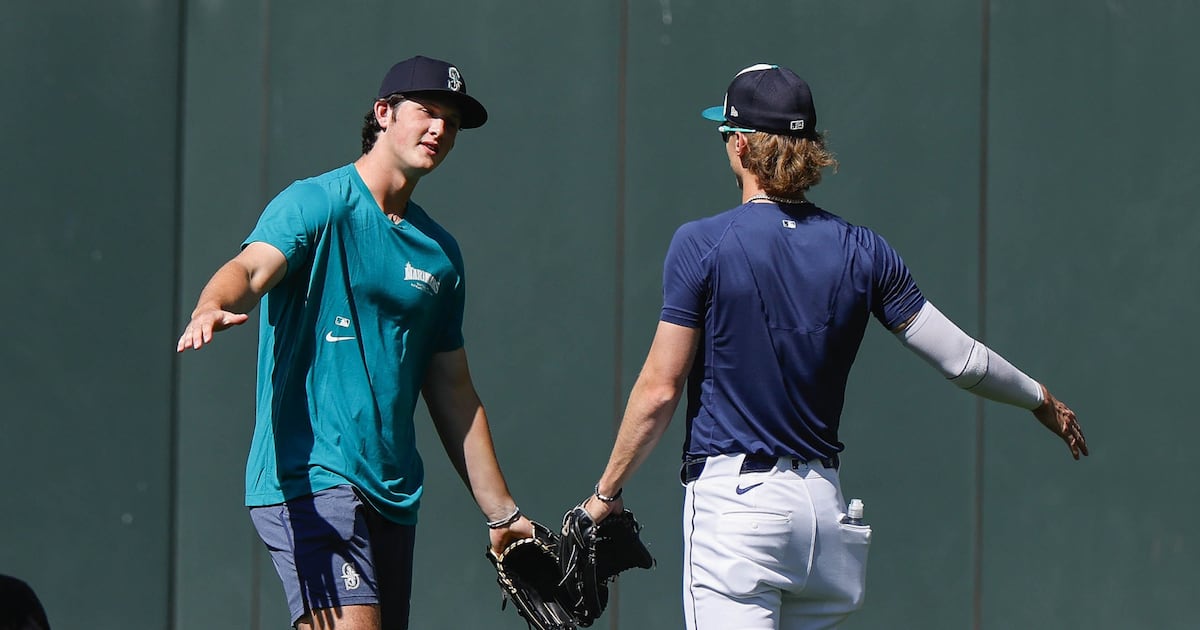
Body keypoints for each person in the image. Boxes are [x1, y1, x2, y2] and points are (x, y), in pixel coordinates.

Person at [577, 63, 1089, 630]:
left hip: (740, 512)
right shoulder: (864, 250)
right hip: (827, 517)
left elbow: (660, 389)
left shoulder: (703, 243)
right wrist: (1038, 397)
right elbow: (961, 360)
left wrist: (606, 492)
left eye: (726, 133)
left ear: (742, 145)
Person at [176, 55, 533, 630]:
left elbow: (454, 394)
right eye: (428, 112)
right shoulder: (317, 202)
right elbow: (252, 269)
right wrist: (213, 302)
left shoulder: (439, 254)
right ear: (384, 113)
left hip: (393, 494)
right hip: (311, 478)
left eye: (452, 122)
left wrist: (502, 514)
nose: (440, 129)